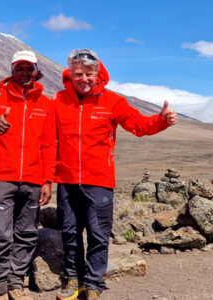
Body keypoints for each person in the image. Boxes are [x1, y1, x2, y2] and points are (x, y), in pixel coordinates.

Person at [53, 49, 178, 300]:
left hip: (99, 180)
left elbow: (139, 125)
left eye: (89, 74)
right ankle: (73, 279)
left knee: (98, 235)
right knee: (70, 233)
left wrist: (161, 121)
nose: (84, 79)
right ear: (70, 74)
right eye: (78, 74)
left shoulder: (112, 101)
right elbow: (46, 140)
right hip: (66, 180)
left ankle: (94, 284)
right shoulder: (58, 100)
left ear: (98, 74)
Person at [0, 50, 56, 300]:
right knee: (1, 234)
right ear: (12, 70)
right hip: (2, 176)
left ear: (36, 71)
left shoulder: (45, 103)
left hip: (33, 179)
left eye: (28, 69)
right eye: (19, 68)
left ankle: (16, 283)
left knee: (26, 234)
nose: (24, 73)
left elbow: (49, 145)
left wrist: (47, 180)